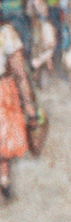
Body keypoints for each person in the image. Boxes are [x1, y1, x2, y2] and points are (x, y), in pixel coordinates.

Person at [0, 17, 35, 200]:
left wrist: (29, 104)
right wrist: (29, 105)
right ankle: (4, 179)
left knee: (3, 143)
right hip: (3, 92)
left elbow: (21, 74)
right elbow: (20, 74)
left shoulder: (6, 34)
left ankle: (4, 179)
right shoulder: (7, 34)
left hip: (3, 93)